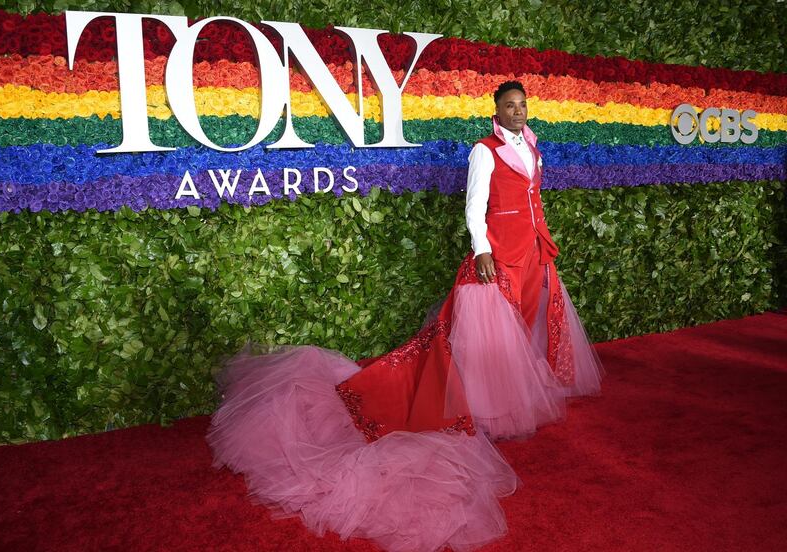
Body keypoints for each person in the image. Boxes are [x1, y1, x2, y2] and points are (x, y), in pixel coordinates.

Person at [206, 80, 604, 552]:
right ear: (495, 112)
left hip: (533, 251)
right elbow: (475, 205)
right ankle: (485, 407)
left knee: (522, 329)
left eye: (522, 106)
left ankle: (514, 400)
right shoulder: (484, 151)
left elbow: (534, 198)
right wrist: (481, 250)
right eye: (509, 107)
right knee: (489, 335)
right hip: (498, 254)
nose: (517, 113)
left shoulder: (534, 143)